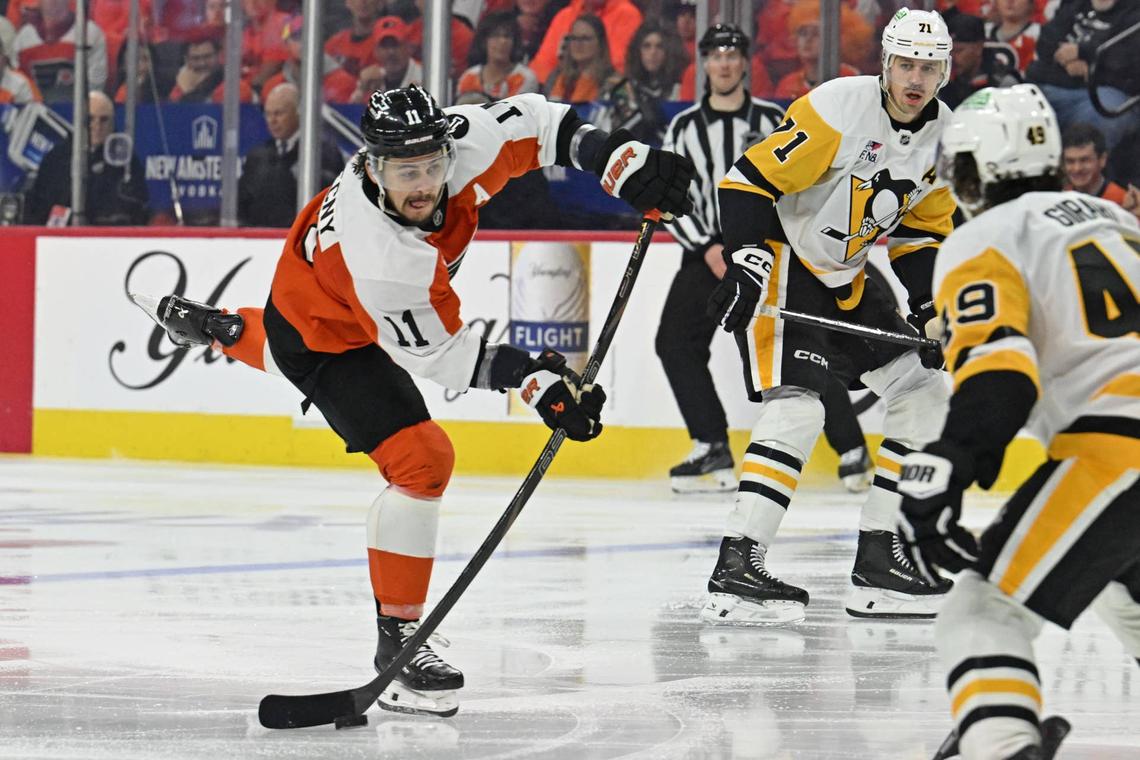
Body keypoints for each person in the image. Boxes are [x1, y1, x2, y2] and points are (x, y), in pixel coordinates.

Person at [131, 84, 695, 717]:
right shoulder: (381, 256)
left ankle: (221, 328)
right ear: (372, 167)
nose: (423, 185)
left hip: (340, 299)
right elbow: (441, 355)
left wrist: (618, 159)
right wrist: (537, 382)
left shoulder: (461, 144)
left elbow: (540, 123)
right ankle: (398, 639)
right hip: (324, 333)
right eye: (405, 172)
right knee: (422, 460)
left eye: (430, 166)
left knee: (306, 347)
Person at [896, 83, 1140, 760]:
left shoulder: (983, 237)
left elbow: (1003, 376)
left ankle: (1000, 743)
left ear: (973, 171)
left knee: (980, 610)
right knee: (1125, 600)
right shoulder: (1116, 220)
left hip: (1121, 451)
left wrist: (954, 457)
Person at [701, 8, 959, 625]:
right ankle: (738, 562)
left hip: (848, 277)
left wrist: (926, 305)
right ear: (886, 64)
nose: (915, 78)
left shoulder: (947, 135)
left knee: (924, 391)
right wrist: (742, 260)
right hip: (788, 263)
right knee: (798, 406)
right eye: (905, 64)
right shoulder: (840, 106)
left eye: (928, 66)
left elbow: (922, 232)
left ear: (945, 72)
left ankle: (880, 557)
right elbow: (745, 182)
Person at [656, 23, 786, 493]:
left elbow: (792, 187)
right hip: (705, 251)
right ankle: (711, 444)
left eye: (732, 54)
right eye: (716, 55)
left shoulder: (773, 119)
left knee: (792, 344)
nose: (725, 63)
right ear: (704, 63)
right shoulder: (684, 127)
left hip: (765, 252)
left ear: (745, 61)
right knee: (675, 343)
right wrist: (708, 247)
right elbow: (672, 195)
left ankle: (851, 451)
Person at [1026, 0, 1140, 152]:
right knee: (1010, 104)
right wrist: (1068, 60)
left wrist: (1083, 53)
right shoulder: (1074, 3)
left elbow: (1128, 60)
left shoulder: (1134, 10)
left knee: (1098, 121)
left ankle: (1076, 171)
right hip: (1053, 84)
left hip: (1106, 94)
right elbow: (1046, 41)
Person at [25, 90, 149, 225]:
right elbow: (40, 205)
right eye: (90, 119)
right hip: (63, 236)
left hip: (108, 235)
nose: (97, 126)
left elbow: (137, 203)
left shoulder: (124, 159)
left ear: (113, 123)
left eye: (104, 120)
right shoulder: (57, 158)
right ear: (79, 120)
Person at [237, 83, 344, 228]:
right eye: (268, 114)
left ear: (298, 112)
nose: (272, 121)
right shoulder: (258, 156)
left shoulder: (321, 152)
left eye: (279, 113)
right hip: (261, 240)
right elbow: (243, 203)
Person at [11, 0, 108, 101]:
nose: (54, 2)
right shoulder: (24, 38)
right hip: (34, 110)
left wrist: (85, 108)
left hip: (78, 110)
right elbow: (18, 83)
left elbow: (96, 82)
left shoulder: (90, 32)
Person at [529, 0, 642, 86]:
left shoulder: (628, 15)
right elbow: (541, 66)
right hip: (561, 88)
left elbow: (619, 66)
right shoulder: (565, 15)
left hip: (601, 87)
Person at [941, 13, 1021, 110]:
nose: (952, 57)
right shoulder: (943, 79)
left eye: (959, 50)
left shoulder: (1002, 83)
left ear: (978, 48)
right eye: (949, 51)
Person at [455, 11, 539, 102]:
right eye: (495, 35)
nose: (502, 41)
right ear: (484, 41)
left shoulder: (524, 77)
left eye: (507, 36)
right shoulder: (468, 77)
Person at [544, 14, 621, 104]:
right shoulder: (556, 75)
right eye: (574, 38)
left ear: (600, 43)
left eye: (585, 39)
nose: (578, 44)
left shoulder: (613, 83)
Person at [1061, 121, 1129, 205]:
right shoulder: (1060, 198)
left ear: (1102, 159)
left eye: (1084, 160)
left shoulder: (1124, 201)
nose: (1077, 168)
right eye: (1070, 161)